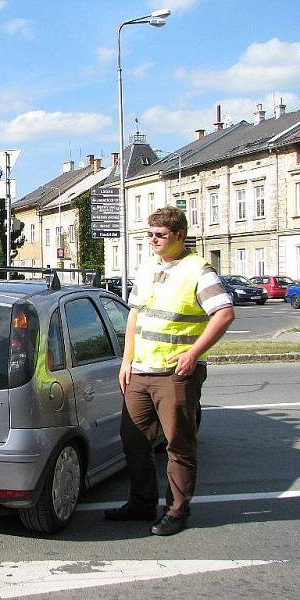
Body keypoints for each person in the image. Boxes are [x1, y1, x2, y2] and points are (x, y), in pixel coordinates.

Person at [105, 206, 235, 536]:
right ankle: (141, 503)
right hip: (141, 370)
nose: (153, 240)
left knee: (178, 444)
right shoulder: (148, 267)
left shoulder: (198, 270)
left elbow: (223, 314)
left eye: (160, 235)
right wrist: (126, 361)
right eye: (149, 234)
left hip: (175, 372)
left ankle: (177, 510)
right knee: (133, 439)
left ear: (179, 235)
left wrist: (193, 355)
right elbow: (135, 315)